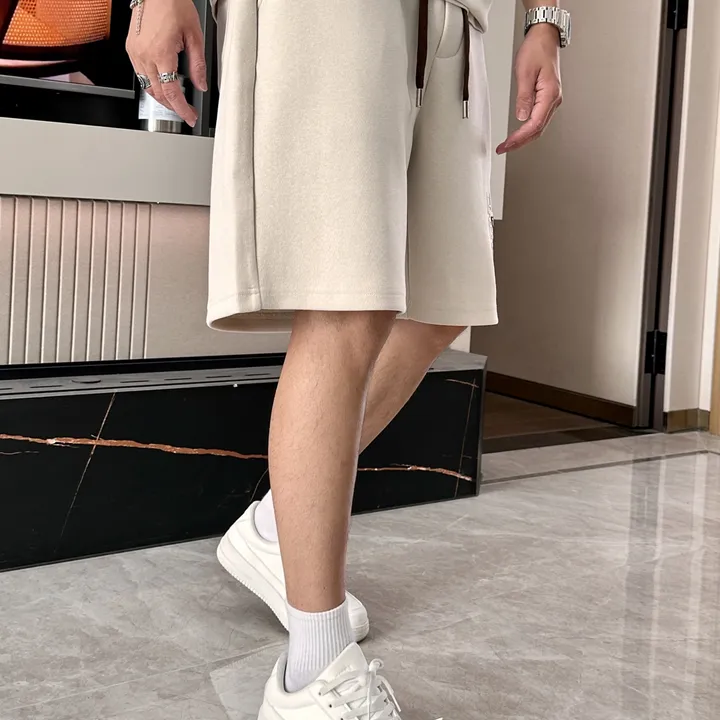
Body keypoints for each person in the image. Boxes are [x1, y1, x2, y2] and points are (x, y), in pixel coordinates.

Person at [127, 0, 567, 716]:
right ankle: (314, 668)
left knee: (441, 299)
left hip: (455, 20)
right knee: (345, 296)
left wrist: (547, 19)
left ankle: (277, 529)